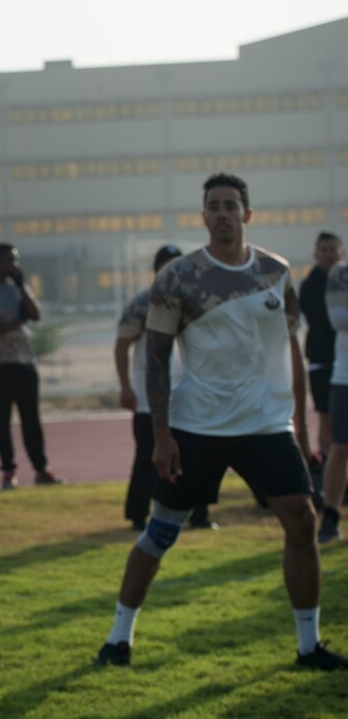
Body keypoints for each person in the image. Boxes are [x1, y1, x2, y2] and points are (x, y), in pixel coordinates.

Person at [95, 173, 347, 671]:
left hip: (266, 426)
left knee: (302, 522)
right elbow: (156, 360)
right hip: (198, 427)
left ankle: (308, 647)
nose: (223, 213)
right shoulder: (178, 278)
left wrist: (295, 420)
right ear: (204, 216)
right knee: (161, 532)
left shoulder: (276, 271)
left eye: (231, 205)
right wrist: (162, 434)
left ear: (247, 215)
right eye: (214, 206)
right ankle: (117, 639)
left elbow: (289, 349)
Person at [114, 245, 215, 532]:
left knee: (197, 455)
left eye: (177, 265)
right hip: (151, 396)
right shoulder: (142, 303)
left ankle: (200, 515)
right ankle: (137, 515)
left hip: (190, 392)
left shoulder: (199, 300)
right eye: (167, 266)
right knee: (147, 456)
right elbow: (122, 345)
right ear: (157, 270)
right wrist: (124, 386)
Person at [0, 243, 62, 490]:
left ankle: (41, 468)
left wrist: (23, 286)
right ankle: (8, 471)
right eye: (8, 261)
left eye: (15, 260)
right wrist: (18, 320)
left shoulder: (18, 288)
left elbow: (35, 314)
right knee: (2, 420)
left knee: (31, 420)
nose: (13, 266)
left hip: (24, 361)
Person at [300, 232, 344, 503]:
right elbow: (325, 319)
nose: (328, 254)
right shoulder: (310, 284)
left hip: (344, 361)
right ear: (316, 254)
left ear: (342, 254)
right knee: (327, 418)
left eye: (333, 249)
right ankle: (326, 478)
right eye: (323, 249)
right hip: (322, 360)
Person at [319, 249, 348, 542]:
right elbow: (339, 319)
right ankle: (331, 515)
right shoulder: (342, 272)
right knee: (340, 448)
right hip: (346, 377)